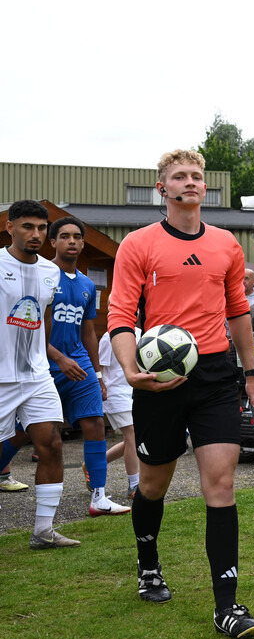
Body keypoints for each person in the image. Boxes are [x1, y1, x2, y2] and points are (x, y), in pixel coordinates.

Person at [107, 149, 254, 637]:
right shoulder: (138, 244)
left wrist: (250, 371)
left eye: (196, 175)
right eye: (179, 176)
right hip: (158, 378)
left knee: (220, 485)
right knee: (153, 485)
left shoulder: (225, 244)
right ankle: (148, 565)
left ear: (205, 187)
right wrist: (131, 370)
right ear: (163, 188)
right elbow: (120, 314)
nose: (190, 182)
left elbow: (238, 310)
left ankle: (227, 606)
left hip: (215, 375)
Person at [0, 200, 79, 549]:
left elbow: (43, 320)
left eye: (42, 228)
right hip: (1, 377)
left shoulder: (51, 271)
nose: (36, 234)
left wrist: (49, 357)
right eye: (27, 227)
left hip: (36, 375)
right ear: (10, 227)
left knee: (52, 444)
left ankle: (43, 531)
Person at [45, 217, 131, 517]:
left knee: (95, 423)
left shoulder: (87, 284)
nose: (72, 241)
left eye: (77, 237)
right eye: (64, 236)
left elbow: (88, 331)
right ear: (53, 242)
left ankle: (99, 497)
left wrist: (97, 373)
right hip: (42, 363)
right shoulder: (42, 275)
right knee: (27, 434)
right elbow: (29, 329)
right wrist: (58, 358)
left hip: (79, 362)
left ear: (83, 243)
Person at [98, 327, 140, 500]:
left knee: (134, 439)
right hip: (115, 392)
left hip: (135, 391)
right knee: (132, 435)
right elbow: (100, 366)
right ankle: (134, 485)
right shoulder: (108, 336)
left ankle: (94, 465)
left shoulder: (140, 333)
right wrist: (101, 387)